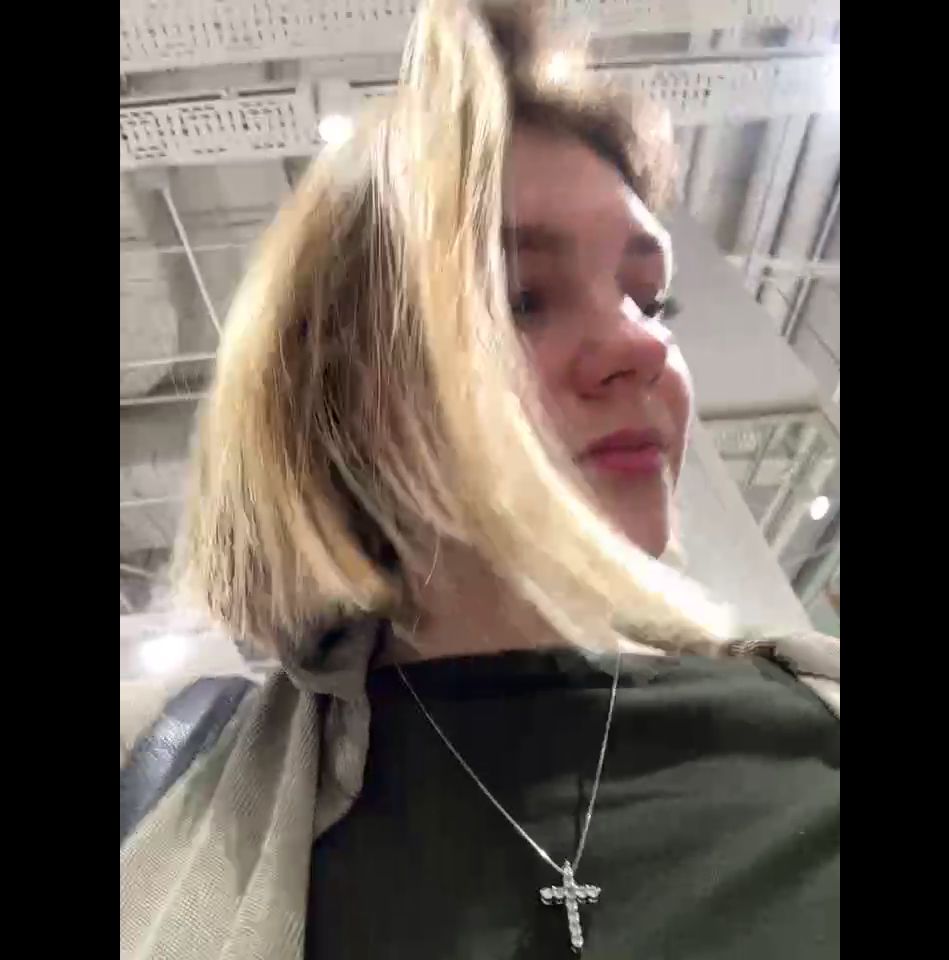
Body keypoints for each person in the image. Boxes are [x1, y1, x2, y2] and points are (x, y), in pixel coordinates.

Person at [119, 2, 839, 958]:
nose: (642, 346)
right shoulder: (168, 792)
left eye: (649, 298)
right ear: (338, 392)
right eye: (521, 298)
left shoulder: (812, 735)